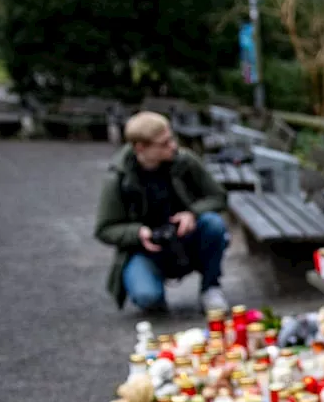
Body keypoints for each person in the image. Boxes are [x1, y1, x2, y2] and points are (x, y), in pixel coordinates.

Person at [94, 111, 230, 314]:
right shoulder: (118, 178)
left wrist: (192, 213)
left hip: (185, 238)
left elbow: (218, 196)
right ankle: (152, 287)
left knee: (213, 224)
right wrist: (138, 233)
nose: (173, 146)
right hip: (145, 250)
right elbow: (104, 229)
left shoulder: (184, 161)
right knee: (148, 298)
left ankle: (210, 288)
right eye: (164, 143)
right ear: (141, 147)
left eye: (171, 139)